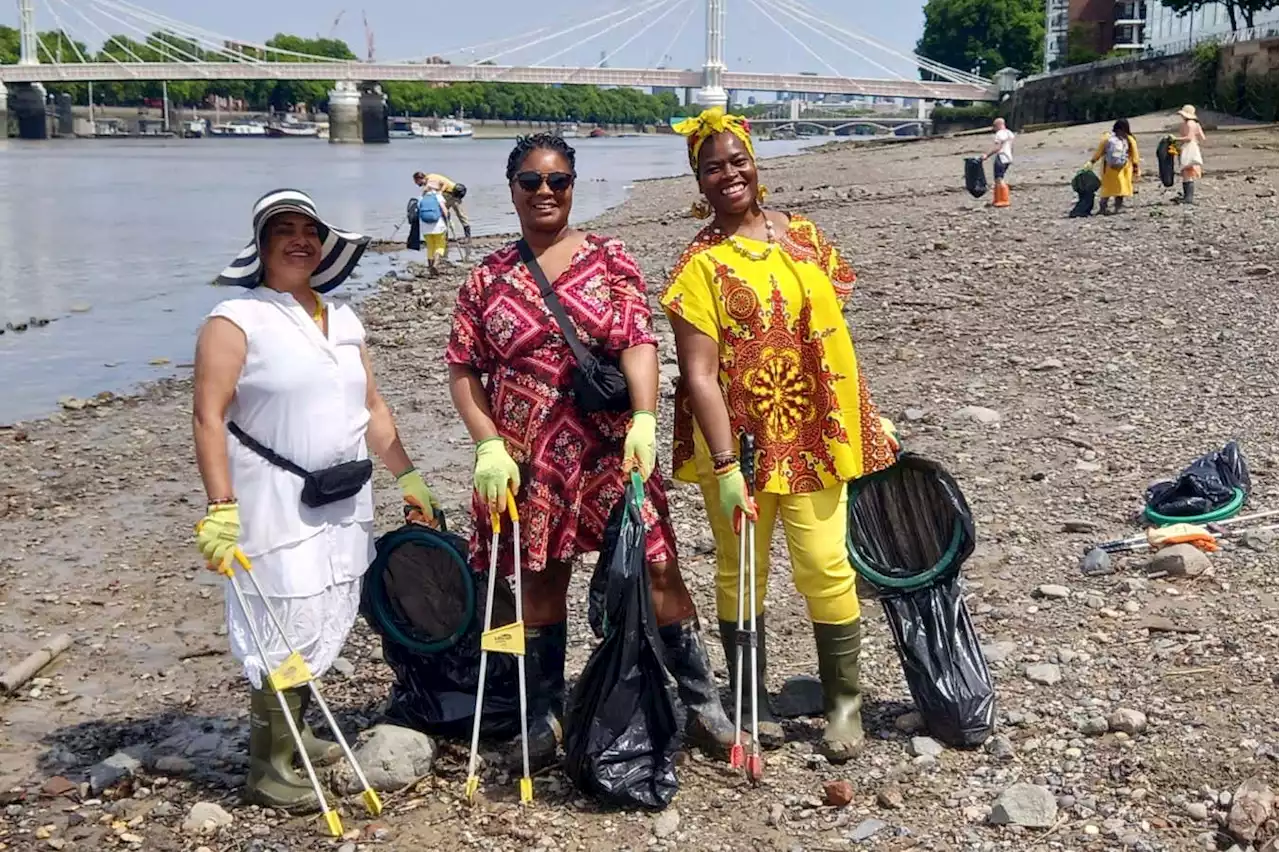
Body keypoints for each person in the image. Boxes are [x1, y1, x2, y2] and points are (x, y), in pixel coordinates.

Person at [445, 134, 736, 769]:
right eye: (531, 182)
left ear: (574, 185)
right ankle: (544, 711)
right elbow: (464, 369)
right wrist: (487, 443)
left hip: (609, 446)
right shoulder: (486, 277)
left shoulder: (609, 258)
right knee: (541, 575)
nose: (545, 192)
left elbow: (637, 340)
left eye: (558, 181)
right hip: (527, 455)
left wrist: (645, 419)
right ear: (513, 188)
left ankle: (702, 701)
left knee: (656, 564)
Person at [661, 108, 899, 764]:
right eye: (713, 167)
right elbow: (699, 377)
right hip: (736, 442)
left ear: (755, 164)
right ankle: (749, 696)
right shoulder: (698, 265)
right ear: (699, 181)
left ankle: (844, 701)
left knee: (825, 563)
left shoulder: (805, 237)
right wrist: (724, 463)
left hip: (810, 432)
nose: (728, 174)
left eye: (737, 161)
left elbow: (830, 329)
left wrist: (856, 411)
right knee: (744, 570)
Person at [194, 189, 439, 810]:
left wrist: (408, 477)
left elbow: (372, 408)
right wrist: (220, 507)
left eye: (310, 229)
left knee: (325, 606)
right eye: (285, 230)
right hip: (271, 498)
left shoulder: (346, 319)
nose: (300, 239)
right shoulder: (236, 319)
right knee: (280, 614)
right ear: (263, 245)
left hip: (342, 494)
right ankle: (269, 765)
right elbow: (207, 416)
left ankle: (296, 729)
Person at [1088, 118, 1141, 215]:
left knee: (1107, 189)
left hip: (1108, 168)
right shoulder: (1129, 138)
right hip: (1123, 169)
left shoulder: (1107, 138)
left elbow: (1099, 152)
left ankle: (1103, 208)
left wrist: (1092, 162)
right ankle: (1118, 208)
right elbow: (1135, 154)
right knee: (1121, 188)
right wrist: (1136, 167)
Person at [414, 171, 471, 239]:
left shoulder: (430, 179)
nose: (416, 183)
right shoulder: (431, 177)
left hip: (452, 194)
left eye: (416, 181)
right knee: (452, 215)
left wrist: (439, 193)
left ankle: (463, 236)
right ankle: (450, 236)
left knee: (452, 214)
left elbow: (444, 183)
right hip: (450, 195)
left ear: (419, 179)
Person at [1175, 104, 1206, 205]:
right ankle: (1188, 197)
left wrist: (1175, 139)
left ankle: (1188, 197)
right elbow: (1202, 138)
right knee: (1190, 172)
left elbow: (1188, 137)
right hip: (1194, 147)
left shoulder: (1187, 124)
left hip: (1188, 147)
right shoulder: (1196, 124)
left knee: (1186, 172)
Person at [982, 117, 1016, 208]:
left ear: (998, 125)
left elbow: (997, 147)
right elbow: (1011, 147)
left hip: (1001, 157)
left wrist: (986, 155)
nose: (994, 128)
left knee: (998, 179)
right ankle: (997, 199)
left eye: (994, 126)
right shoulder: (1010, 133)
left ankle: (1003, 200)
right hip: (1008, 158)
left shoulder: (1000, 134)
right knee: (1000, 178)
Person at [417, 183, 450, 275]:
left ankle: (430, 267)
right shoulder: (438, 196)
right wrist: (448, 219)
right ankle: (435, 265)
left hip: (425, 227)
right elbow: (444, 210)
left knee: (430, 247)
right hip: (438, 226)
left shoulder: (420, 199)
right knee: (439, 245)